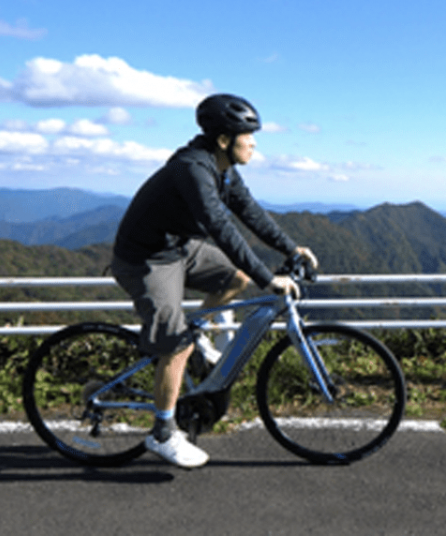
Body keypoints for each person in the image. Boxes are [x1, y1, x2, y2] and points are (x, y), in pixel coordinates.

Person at [110, 93, 318, 468]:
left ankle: (197, 339)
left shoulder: (223, 169)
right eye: (247, 135)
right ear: (224, 139)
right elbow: (221, 227)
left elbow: (249, 212)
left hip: (179, 248)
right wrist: (268, 279)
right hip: (146, 260)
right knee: (175, 345)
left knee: (234, 278)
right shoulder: (193, 168)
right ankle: (162, 433)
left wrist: (291, 249)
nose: (254, 143)